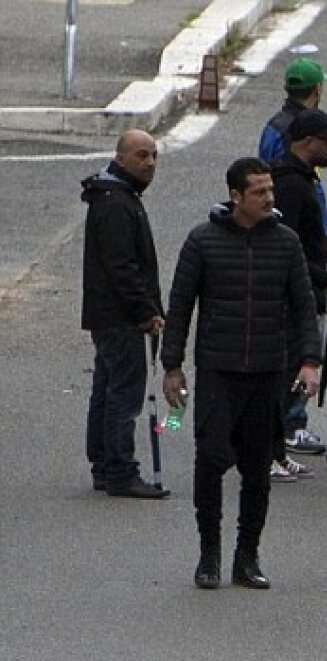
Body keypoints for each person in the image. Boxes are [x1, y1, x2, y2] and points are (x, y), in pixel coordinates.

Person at [161, 157, 321, 590]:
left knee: (257, 469)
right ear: (236, 196)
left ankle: (246, 556)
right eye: (259, 192)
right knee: (210, 461)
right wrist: (171, 366)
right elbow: (179, 307)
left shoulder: (285, 243)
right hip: (218, 371)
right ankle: (208, 554)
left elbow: (305, 307)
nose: (270, 198)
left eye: (271, 190)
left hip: (268, 372)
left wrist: (310, 361)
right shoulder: (202, 242)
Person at [80, 129, 169, 499]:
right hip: (120, 317)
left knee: (106, 387)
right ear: (120, 158)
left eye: (153, 156)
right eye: (141, 155)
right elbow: (123, 268)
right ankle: (119, 469)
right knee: (124, 394)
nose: (149, 163)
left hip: (107, 315)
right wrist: (146, 311)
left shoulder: (115, 196)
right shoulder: (117, 203)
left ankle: (103, 463)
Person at [268, 108, 327, 477]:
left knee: (290, 376)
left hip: (301, 290)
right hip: (291, 297)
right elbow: (289, 245)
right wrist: (323, 279)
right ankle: (268, 452)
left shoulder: (301, 180)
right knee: (285, 375)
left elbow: (303, 232)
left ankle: (278, 451)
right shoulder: (290, 184)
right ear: (307, 142)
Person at [257, 58, 327, 263]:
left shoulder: (272, 127)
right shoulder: (306, 133)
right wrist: (322, 236)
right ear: (317, 89)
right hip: (299, 245)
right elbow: (309, 192)